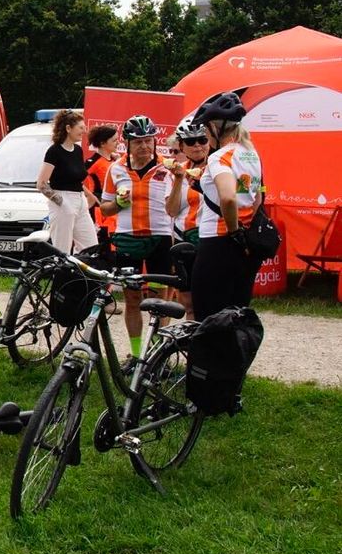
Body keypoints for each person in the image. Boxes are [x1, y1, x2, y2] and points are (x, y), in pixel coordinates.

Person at [99, 115, 174, 359]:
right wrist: (118, 204)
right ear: (127, 143)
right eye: (138, 141)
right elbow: (105, 208)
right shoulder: (116, 168)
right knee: (132, 299)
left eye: (148, 140)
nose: (144, 146)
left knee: (158, 301)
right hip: (128, 238)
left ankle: (155, 356)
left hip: (160, 238)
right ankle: (134, 354)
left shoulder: (168, 167)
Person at [189, 92, 264, 322]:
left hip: (218, 240)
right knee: (236, 313)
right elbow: (257, 199)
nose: (204, 134)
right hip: (245, 242)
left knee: (207, 314)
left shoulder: (219, 157)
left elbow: (228, 197)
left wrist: (233, 231)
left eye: (205, 128)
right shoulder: (251, 154)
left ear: (215, 127)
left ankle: (210, 349)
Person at [166, 119, 211, 319]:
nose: (197, 145)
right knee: (188, 303)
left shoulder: (218, 167)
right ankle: (193, 337)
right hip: (183, 238)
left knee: (210, 298)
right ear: (182, 146)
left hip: (210, 238)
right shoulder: (177, 171)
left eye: (202, 140)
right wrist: (178, 180)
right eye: (191, 142)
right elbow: (171, 210)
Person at [36, 109, 98, 254]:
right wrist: (62, 203)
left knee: (91, 247)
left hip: (80, 201)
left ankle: (81, 269)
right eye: (80, 128)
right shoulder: (54, 151)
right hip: (62, 200)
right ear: (68, 128)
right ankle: (60, 269)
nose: (84, 131)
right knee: (62, 249)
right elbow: (41, 184)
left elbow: (76, 179)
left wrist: (88, 195)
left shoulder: (78, 150)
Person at [84, 124, 119, 248]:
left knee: (114, 244)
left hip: (114, 207)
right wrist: (90, 196)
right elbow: (75, 180)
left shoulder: (115, 161)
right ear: (103, 143)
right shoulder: (94, 162)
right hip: (99, 209)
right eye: (114, 140)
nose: (117, 143)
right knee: (102, 245)